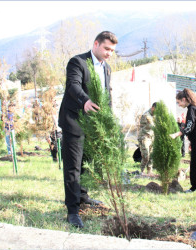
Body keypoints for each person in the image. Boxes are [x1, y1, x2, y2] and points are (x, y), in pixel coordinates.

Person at [58, 31, 118, 228]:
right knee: (73, 167)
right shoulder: (78, 62)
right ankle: (73, 211)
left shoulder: (107, 68)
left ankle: (83, 197)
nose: (109, 53)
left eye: (112, 50)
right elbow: (73, 86)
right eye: (106, 48)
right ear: (96, 44)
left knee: (87, 164)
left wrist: (108, 123)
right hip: (74, 121)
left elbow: (106, 96)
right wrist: (85, 101)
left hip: (94, 125)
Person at [170, 88, 196, 193]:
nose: (179, 105)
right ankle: (195, 187)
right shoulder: (193, 108)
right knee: (194, 164)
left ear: (184, 99)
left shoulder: (192, 109)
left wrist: (177, 134)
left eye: (179, 102)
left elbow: (189, 126)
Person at [137, 102, 156, 174]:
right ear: (153, 108)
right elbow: (152, 125)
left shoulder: (154, 115)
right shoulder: (146, 115)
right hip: (144, 137)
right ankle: (142, 171)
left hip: (152, 137)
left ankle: (149, 171)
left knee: (151, 155)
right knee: (146, 156)